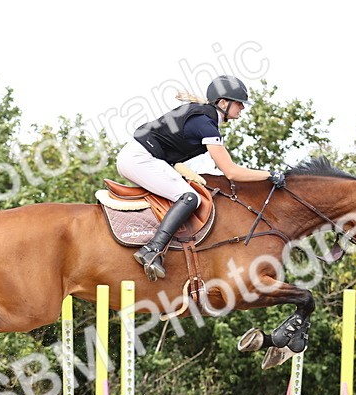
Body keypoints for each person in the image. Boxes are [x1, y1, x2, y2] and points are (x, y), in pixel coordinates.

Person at [116, 75, 286, 280]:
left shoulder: (204, 117)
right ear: (223, 103)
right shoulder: (205, 123)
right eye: (239, 103)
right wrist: (269, 175)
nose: (242, 107)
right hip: (140, 159)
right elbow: (231, 172)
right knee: (190, 197)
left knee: (186, 190)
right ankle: (152, 249)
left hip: (141, 157)